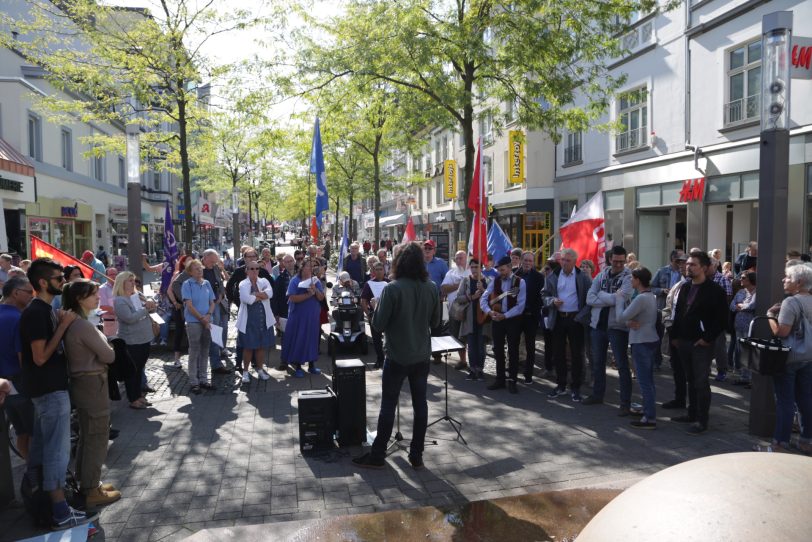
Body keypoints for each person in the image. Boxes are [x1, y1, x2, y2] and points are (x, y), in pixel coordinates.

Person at [352, 242, 441, 470]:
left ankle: (378, 454)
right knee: (420, 405)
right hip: (421, 355)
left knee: (388, 405)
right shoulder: (431, 287)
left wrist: (376, 306)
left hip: (397, 355)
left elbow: (378, 325)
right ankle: (417, 454)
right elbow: (436, 323)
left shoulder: (392, 289)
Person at [22, 258, 93, 530]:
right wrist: (63, 327)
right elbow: (39, 357)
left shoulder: (44, 309)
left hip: (50, 389)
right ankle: (60, 511)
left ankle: (42, 505)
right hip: (49, 391)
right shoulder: (37, 312)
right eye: (58, 278)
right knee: (56, 452)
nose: (63, 283)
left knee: (43, 450)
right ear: (43, 282)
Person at [62, 279, 120, 507]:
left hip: (85, 383)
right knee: (96, 435)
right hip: (91, 383)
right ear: (79, 299)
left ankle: (88, 482)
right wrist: (109, 346)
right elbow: (109, 355)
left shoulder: (76, 322)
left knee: (89, 435)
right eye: (93, 294)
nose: (98, 298)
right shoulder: (82, 325)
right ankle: (91, 488)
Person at [669, 250, 728, 435]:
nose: (688, 267)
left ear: (704, 267)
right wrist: (675, 337)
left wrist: (707, 338)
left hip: (701, 344)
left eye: (693, 264)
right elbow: (677, 312)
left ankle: (702, 420)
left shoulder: (715, 290)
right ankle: (691, 413)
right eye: (687, 264)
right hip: (683, 341)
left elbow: (722, 319)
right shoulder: (684, 287)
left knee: (701, 382)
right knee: (690, 380)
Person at [759, 264, 812, 453]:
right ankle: (806, 441)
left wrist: (770, 315)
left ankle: (780, 444)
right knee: (806, 399)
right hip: (808, 356)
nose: (784, 280)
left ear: (798, 282)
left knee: (785, 401)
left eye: (787, 277)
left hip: (789, 358)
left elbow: (782, 332)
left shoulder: (791, 302)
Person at [583, 246, 633, 414]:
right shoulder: (601, 274)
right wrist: (610, 297)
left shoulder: (628, 277)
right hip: (597, 325)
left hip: (617, 327)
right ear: (610, 259)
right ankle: (598, 395)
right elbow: (589, 298)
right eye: (616, 261)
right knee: (597, 363)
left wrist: (601, 296)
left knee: (622, 365)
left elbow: (623, 297)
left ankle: (625, 403)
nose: (619, 264)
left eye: (622, 261)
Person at [542, 248, 592, 401]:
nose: (564, 263)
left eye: (567, 260)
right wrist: (552, 301)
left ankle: (575, 387)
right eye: (562, 260)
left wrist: (580, 317)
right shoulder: (553, 275)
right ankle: (561, 385)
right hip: (558, 318)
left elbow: (590, 300)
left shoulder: (582, 277)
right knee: (558, 353)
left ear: (575, 262)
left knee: (577, 354)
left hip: (575, 319)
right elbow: (544, 295)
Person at [615, 267, 659, 429]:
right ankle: (649, 411)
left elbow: (621, 317)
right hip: (649, 339)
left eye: (632, 278)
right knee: (648, 380)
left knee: (644, 381)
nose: (631, 281)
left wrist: (619, 299)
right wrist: (628, 322)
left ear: (638, 280)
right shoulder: (650, 296)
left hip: (641, 342)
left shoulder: (641, 298)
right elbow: (630, 319)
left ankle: (649, 417)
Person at [0, 277, 35, 460]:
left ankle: (30, 470)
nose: (32, 295)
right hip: (20, 383)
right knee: (35, 433)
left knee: (22, 432)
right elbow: (24, 358)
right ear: (15, 293)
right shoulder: (18, 319)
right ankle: (36, 476)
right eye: (29, 292)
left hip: (4, 387)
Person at [481, 256, 526, 393]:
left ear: (510, 266)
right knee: (498, 350)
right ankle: (500, 379)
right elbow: (483, 299)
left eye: (503, 269)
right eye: (499, 270)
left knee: (513, 350)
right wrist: (489, 312)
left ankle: (512, 380)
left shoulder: (520, 282)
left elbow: (521, 305)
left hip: (512, 319)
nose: (501, 272)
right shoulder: (495, 281)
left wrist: (505, 315)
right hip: (496, 319)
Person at [113, 271, 157, 408]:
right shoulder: (120, 300)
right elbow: (129, 319)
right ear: (122, 283)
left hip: (144, 338)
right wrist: (146, 309)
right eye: (130, 281)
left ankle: (138, 395)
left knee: (140, 369)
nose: (134, 283)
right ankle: (133, 399)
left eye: (134, 280)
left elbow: (151, 301)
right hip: (132, 341)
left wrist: (151, 301)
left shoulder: (137, 294)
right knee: (132, 371)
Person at [226, 248, 272, 372]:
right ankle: (238, 362)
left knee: (258, 339)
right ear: (244, 258)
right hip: (245, 309)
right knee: (243, 340)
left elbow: (271, 290)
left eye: (253, 256)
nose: (251, 258)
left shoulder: (262, 272)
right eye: (249, 256)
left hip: (260, 311)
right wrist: (236, 301)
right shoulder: (239, 272)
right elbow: (229, 287)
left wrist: (260, 298)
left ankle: (256, 363)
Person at [281, 257, 326, 378]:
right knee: (299, 339)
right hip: (298, 316)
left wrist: (315, 290)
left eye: (314, 266)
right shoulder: (295, 280)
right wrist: (308, 295)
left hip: (312, 315)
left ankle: (311, 365)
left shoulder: (315, 280)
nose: (311, 268)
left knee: (312, 338)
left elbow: (321, 298)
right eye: (309, 266)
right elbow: (292, 298)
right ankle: (298, 366)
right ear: (303, 266)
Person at [237, 262, 275, 383]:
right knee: (248, 347)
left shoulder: (264, 281)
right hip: (248, 320)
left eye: (257, 268)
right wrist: (262, 295)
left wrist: (255, 294)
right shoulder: (243, 283)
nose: (254, 271)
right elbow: (246, 299)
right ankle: (245, 372)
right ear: (246, 270)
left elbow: (270, 293)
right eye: (251, 268)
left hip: (263, 318)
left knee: (261, 347)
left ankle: (260, 369)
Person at [181, 259, 216, 394]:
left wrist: (208, 315)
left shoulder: (206, 283)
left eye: (200, 268)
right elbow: (189, 305)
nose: (199, 270)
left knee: (205, 350)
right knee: (194, 351)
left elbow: (212, 302)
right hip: (194, 322)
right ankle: (194, 382)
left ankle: (203, 379)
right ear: (190, 272)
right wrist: (202, 319)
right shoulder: (187, 284)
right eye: (196, 269)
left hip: (207, 321)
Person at [455, 259, 489, 380]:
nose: (474, 269)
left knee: (481, 346)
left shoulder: (487, 280)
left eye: (476, 267)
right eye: (472, 267)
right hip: (469, 318)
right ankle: (472, 369)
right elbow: (459, 298)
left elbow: (493, 298)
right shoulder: (466, 281)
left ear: (481, 267)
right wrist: (471, 297)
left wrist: (484, 290)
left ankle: (480, 369)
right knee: (472, 346)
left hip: (483, 318)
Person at [516, 251, 544, 383]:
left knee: (530, 346)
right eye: (525, 260)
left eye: (530, 261)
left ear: (533, 263)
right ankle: (513, 371)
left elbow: (541, 297)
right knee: (513, 344)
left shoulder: (539, 277)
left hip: (530, 316)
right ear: (521, 261)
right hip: (516, 316)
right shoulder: (515, 274)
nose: (527, 263)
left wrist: (535, 313)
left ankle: (528, 374)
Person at [201, 249, 230, 375]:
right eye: (212, 261)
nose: (214, 263)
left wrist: (221, 294)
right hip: (204, 307)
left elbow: (220, 283)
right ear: (205, 258)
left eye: (215, 261)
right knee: (210, 335)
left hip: (217, 304)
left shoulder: (215, 268)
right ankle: (207, 366)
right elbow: (177, 284)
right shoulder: (197, 269)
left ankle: (216, 363)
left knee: (217, 332)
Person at [441, 251, 470, 370]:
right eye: (456, 258)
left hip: (470, 310)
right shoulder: (451, 273)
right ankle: (462, 360)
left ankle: (474, 362)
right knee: (457, 335)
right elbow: (444, 289)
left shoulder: (471, 271)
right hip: (455, 310)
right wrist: (459, 285)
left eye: (461, 258)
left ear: (466, 259)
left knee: (470, 335)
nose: (458, 261)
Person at [360, 262, 390, 369]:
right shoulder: (369, 284)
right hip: (374, 315)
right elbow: (363, 300)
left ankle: (390, 360)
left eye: (380, 269)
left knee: (390, 338)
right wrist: (368, 314)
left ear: (384, 270)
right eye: (376, 269)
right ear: (373, 271)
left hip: (389, 316)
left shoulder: (390, 283)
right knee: (376, 339)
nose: (378, 271)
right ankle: (380, 359)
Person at [730, 271, 756, 387]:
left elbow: (752, 306)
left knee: (749, 352)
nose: (741, 279)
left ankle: (751, 377)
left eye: (744, 278)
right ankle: (744, 376)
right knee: (740, 351)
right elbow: (731, 306)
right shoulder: (740, 292)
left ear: (751, 280)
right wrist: (741, 306)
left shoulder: (757, 292)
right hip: (738, 325)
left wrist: (740, 305)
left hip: (750, 327)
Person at [167, 254, 192, 368]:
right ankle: (177, 359)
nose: (191, 262)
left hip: (191, 306)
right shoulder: (178, 274)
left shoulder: (194, 274)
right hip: (179, 306)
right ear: (183, 263)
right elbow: (169, 290)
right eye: (188, 260)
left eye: (192, 260)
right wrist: (175, 302)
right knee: (179, 330)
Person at [98, 267, 118, 337]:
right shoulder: (102, 289)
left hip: (122, 321)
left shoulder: (120, 287)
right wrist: (121, 312)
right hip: (111, 323)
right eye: (111, 274)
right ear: (106, 276)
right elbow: (102, 307)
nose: (114, 276)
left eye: (116, 274)